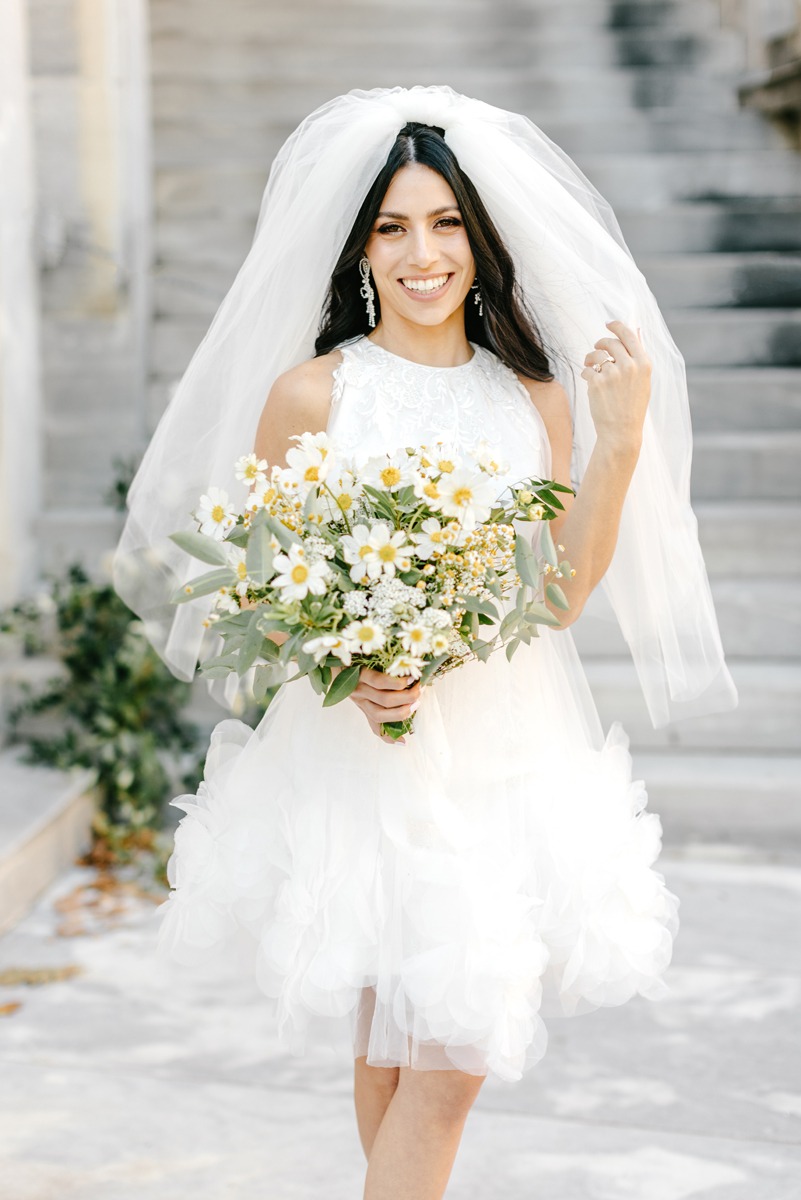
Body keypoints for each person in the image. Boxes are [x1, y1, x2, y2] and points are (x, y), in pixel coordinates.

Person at [113, 87, 737, 1200]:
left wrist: (620, 442)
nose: (422, 252)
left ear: (480, 241)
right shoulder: (311, 396)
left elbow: (557, 599)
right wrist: (348, 665)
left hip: (504, 752)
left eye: (446, 223)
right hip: (361, 755)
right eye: (394, 227)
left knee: (446, 1058)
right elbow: (264, 586)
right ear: (360, 247)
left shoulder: (533, 398)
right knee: (397, 1045)